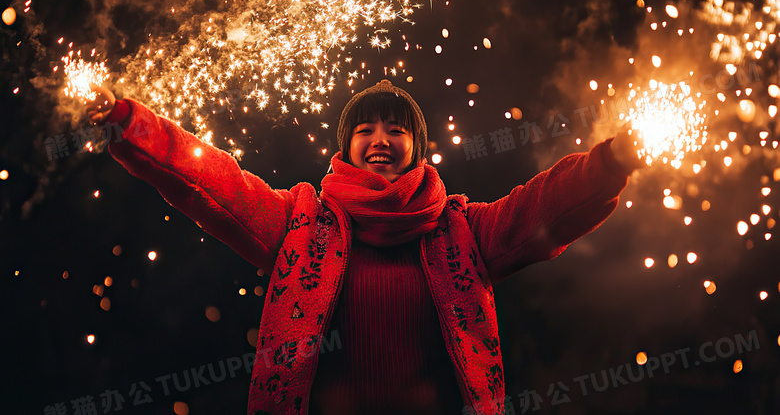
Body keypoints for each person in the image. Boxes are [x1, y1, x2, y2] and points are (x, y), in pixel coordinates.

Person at [86, 79, 646, 415]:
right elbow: (210, 182)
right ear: (348, 148)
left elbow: (544, 205)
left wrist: (610, 162)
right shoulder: (300, 223)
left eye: (396, 130)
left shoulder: (463, 231)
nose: (380, 140)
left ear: (418, 149)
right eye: (366, 130)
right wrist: (127, 122)